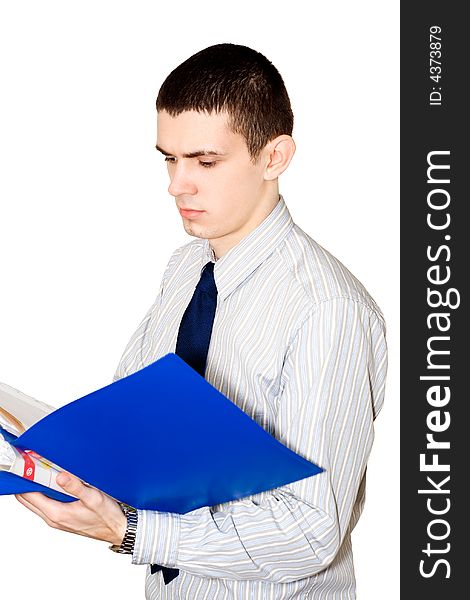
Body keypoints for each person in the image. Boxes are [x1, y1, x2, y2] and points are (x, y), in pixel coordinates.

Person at [16, 43, 387, 599]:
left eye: (205, 162)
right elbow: (133, 411)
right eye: (169, 158)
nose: (176, 185)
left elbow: (311, 533)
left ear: (274, 157)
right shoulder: (189, 265)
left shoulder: (325, 311)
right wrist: (51, 451)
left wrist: (132, 532)